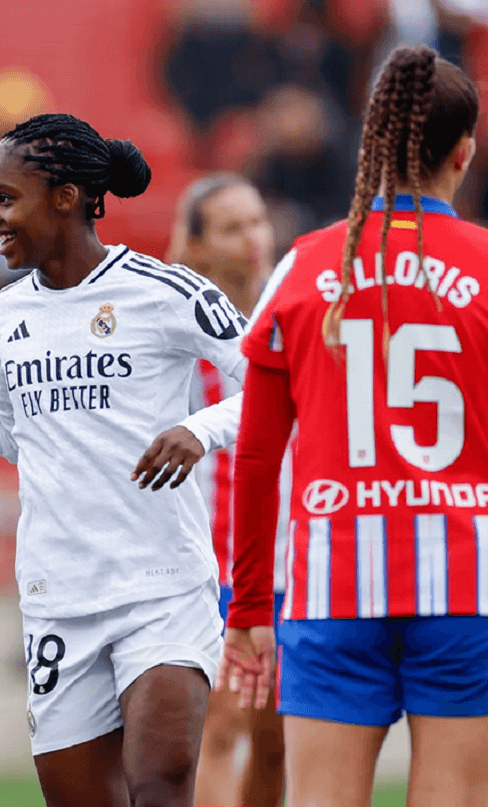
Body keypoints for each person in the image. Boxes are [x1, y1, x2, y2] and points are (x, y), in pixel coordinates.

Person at [219, 45, 488, 807]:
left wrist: (250, 604)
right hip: (471, 586)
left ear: (369, 144)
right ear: (465, 149)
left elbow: (255, 458)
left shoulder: (300, 267)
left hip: (330, 582)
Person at [0, 113, 246, 807]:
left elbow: (272, 384)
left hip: (161, 587)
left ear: (65, 197)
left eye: (6, 198)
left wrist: (200, 428)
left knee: (158, 785)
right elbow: (15, 435)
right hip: (58, 600)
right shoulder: (8, 313)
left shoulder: (166, 291)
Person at [166, 174, 284, 807]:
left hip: (292, 558)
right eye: (233, 228)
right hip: (211, 563)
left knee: (278, 739)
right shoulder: (175, 332)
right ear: (196, 244)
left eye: (257, 221)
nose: (252, 240)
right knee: (222, 726)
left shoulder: (294, 315)